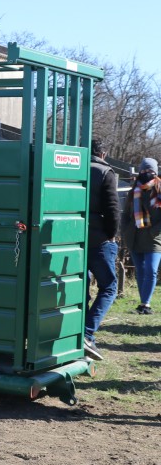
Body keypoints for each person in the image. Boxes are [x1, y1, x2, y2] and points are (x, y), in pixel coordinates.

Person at [83, 139, 120, 361]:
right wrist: (111, 235)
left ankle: (76, 334)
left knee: (81, 287)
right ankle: (87, 334)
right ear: (103, 154)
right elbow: (112, 208)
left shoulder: (74, 166)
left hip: (74, 236)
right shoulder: (106, 172)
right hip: (99, 240)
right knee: (109, 287)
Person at [121, 157, 161, 316]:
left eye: (150, 170)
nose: (146, 173)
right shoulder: (134, 191)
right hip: (134, 236)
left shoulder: (159, 189)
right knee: (140, 271)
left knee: (151, 270)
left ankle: (146, 303)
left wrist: (154, 231)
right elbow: (125, 215)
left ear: (156, 172)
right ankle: (143, 303)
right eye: (144, 170)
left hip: (154, 238)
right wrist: (125, 231)